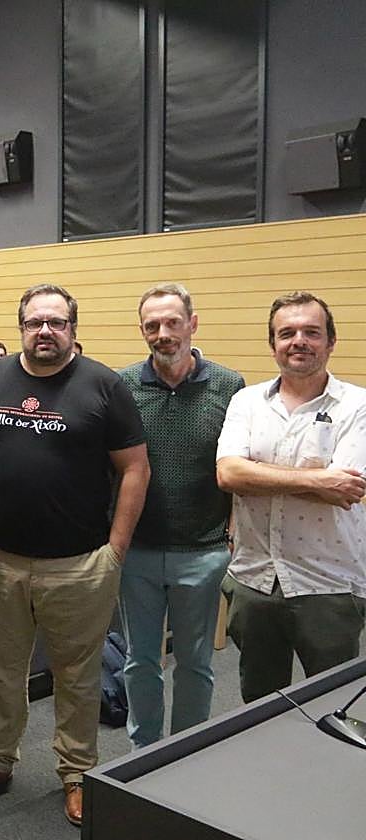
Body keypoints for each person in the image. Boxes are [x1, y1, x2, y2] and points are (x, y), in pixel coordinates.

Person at [0, 283, 149, 827]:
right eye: (35, 322)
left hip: (80, 563)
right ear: (21, 326)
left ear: (72, 329)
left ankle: (78, 774)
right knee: (0, 672)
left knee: (78, 677)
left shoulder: (103, 385)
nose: (45, 331)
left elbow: (135, 468)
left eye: (56, 322)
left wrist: (116, 548)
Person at [215, 291, 366, 703]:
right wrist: (319, 480)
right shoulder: (246, 401)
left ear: (331, 342)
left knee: (334, 704)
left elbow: (346, 489)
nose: (298, 340)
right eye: (287, 333)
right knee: (260, 706)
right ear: (273, 344)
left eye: (311, 332)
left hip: (329, 583)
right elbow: (229, 473)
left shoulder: (358, 405)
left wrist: (257, 475)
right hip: (254, 579)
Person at [116, 283, 245, 748]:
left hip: (203, 551)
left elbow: (239, 463)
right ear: (142, 331)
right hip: (139, 552)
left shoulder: (231, 387)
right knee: (140, 660)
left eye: (173, 322)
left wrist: (231, 535)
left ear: (193, 323)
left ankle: (187, 751)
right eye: (153, 325)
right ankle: (143, 750)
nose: (163, 333)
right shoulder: (122, 386)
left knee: (195, 664)